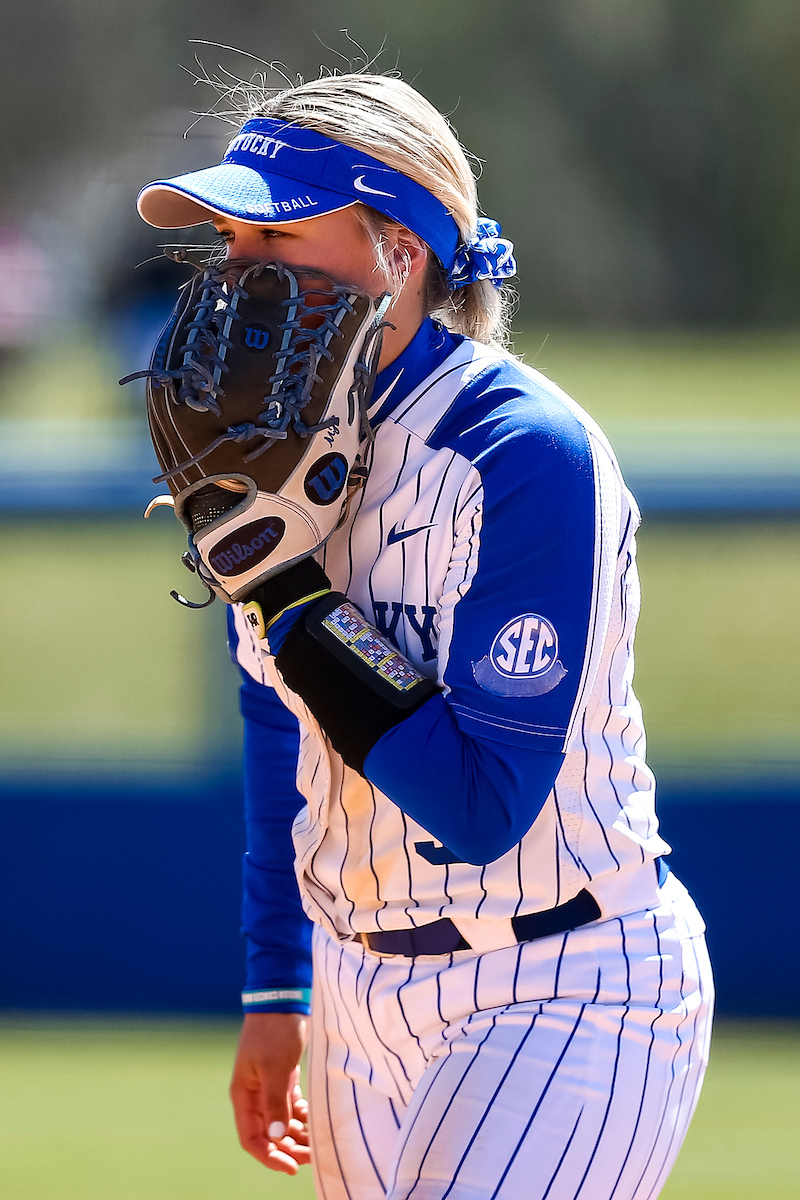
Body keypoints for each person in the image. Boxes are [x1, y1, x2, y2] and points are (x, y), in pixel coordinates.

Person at [135, 71, 713, 1200]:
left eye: (276, 229)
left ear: (397, 252)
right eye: (229, 233)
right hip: (359, 995)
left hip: (559, 983)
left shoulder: (520, 453)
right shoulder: (290, 437)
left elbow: (481, 803)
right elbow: (277, 718)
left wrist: (290, 592)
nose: (239, 266)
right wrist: (277, 987)